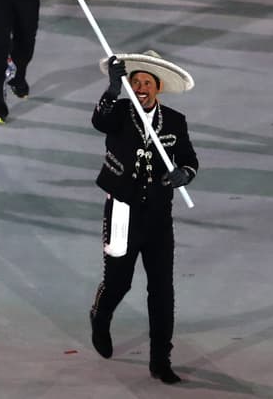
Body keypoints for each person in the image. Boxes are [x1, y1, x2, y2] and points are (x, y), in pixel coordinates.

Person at [88, 51, 198, 384]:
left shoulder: (175, 121)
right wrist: (111, 89)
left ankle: (160, 359)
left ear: (158, 88)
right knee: (119, 281)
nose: (140, 88)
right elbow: (98, 122)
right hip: (122, 211)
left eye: (147, 83)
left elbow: (190, 159)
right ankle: (101, 314)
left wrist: (185, 174)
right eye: (135, 82)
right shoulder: (119, 113)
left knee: (162, 290)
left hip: (159, 218)